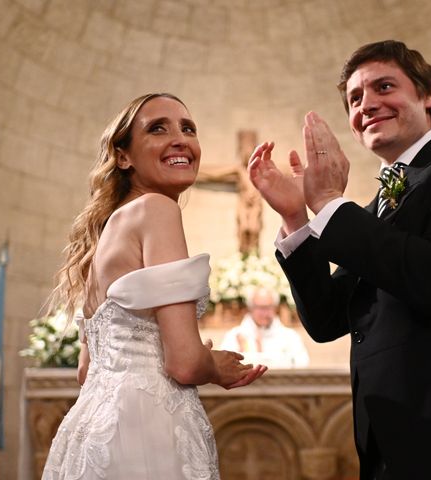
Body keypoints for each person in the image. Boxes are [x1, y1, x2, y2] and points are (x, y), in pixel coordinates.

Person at [248, 40, 431, 479]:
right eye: (354, 98)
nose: (367, 104)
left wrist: (328, 202)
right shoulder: (370, 214)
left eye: (384, 86)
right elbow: (328, 319)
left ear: (429, 94)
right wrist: (295, 219)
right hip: (386, 444)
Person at [42, 93, 267, 480]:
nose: (180, 138)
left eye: (188, 128)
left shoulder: (106, 235)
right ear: (124, 156)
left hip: (94, 429)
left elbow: (86, 370)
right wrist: (214, 364)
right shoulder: (157, 209)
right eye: (158, 128)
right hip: (146, 426)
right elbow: (183, 362)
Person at [220, 287, 310, 368]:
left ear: (275, 308)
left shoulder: (290, 336)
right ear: (250, 308)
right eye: (259, 307)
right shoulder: (234, 335)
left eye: (268, 307)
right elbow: (224, 366)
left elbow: (302, 364)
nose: (264, 312)